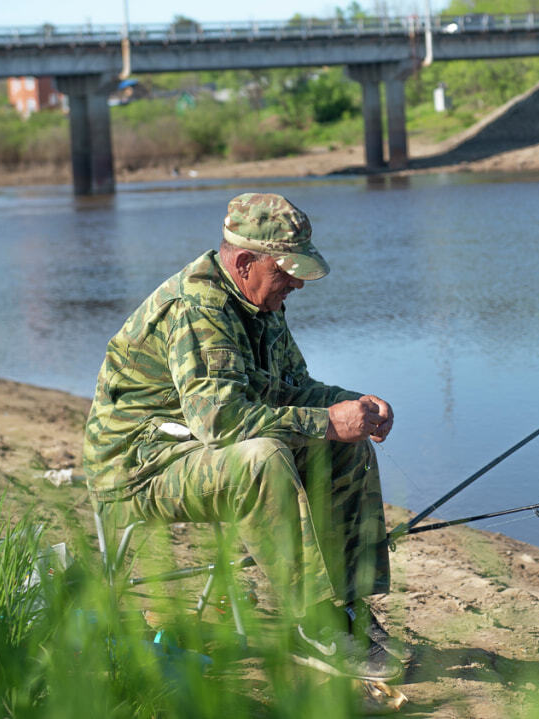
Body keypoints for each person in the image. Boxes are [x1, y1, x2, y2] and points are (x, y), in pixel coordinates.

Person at [82, 192, 408, 681]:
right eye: (286, 270)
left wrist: (351, 404)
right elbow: (222, 423)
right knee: (262, 457)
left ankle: (347, 606)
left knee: (346, 445)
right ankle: (313, 621)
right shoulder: (197, 308)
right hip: (140, 468)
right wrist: (326, 421)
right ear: (244, 261)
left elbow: (295, 388)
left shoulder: (259, 296)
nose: (296, 282)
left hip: (192, 451)